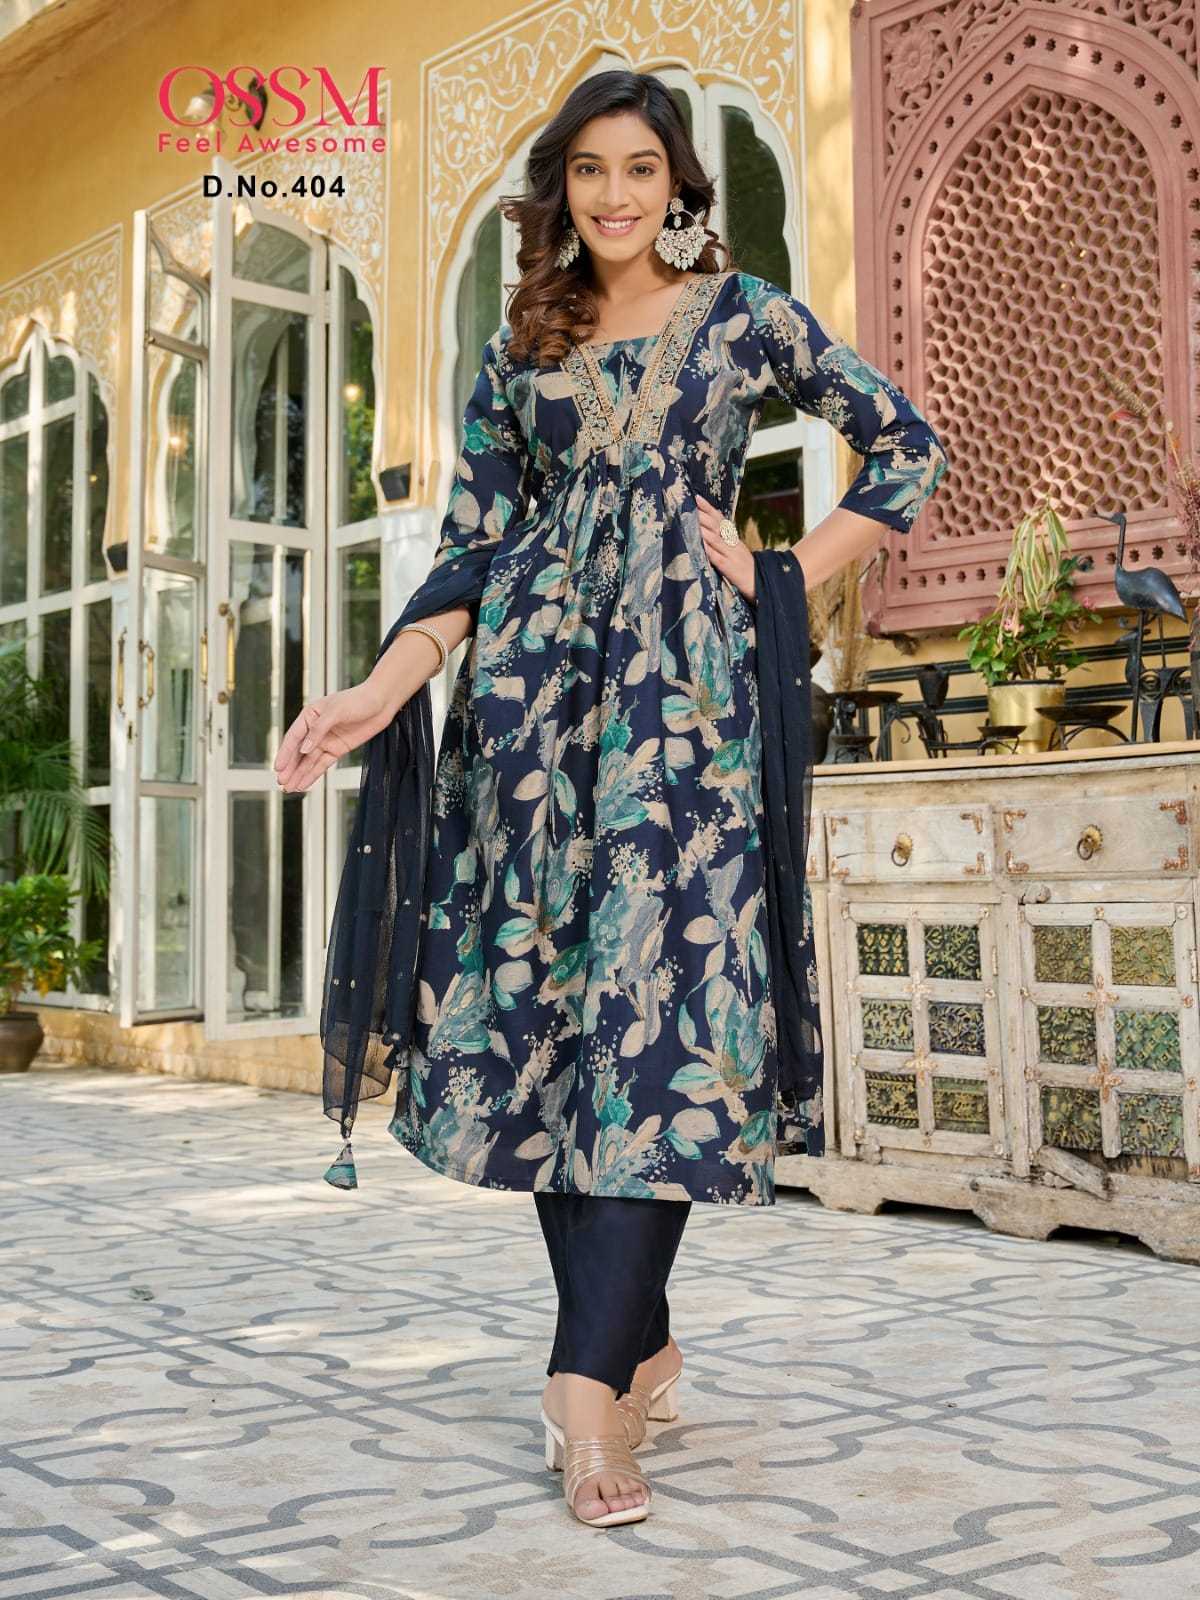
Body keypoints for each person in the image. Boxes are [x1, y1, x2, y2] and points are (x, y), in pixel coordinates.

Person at [274, 68, 949, 1528]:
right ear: (560, 190)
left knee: (670, 1023)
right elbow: (467, 553)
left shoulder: (743, 315)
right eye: (589, 169)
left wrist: (783, 568)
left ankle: (582, 1397)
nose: (616, 194)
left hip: (685, 725)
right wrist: (378, 691)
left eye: (641, 167)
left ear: (679, 185)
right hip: (526, 724)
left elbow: (906, 445)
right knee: (549, 1024)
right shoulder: (520, 349)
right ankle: (631, 1350)